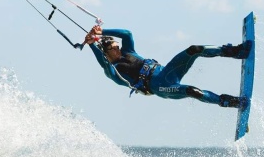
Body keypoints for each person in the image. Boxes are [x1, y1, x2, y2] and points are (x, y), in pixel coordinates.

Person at [85, 25, 252, 108]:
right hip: (161, 87)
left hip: (166, 71)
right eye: (113, 48)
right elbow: (104, 64)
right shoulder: (114, 71)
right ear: (106, 52)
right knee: (192, 91)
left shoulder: (128, 50)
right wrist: (92, 44)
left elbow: (127, 34)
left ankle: (236, 52)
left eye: (117, 45)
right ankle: (230, 102)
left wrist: (101, 31)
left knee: (194, 49)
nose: (117, 48)